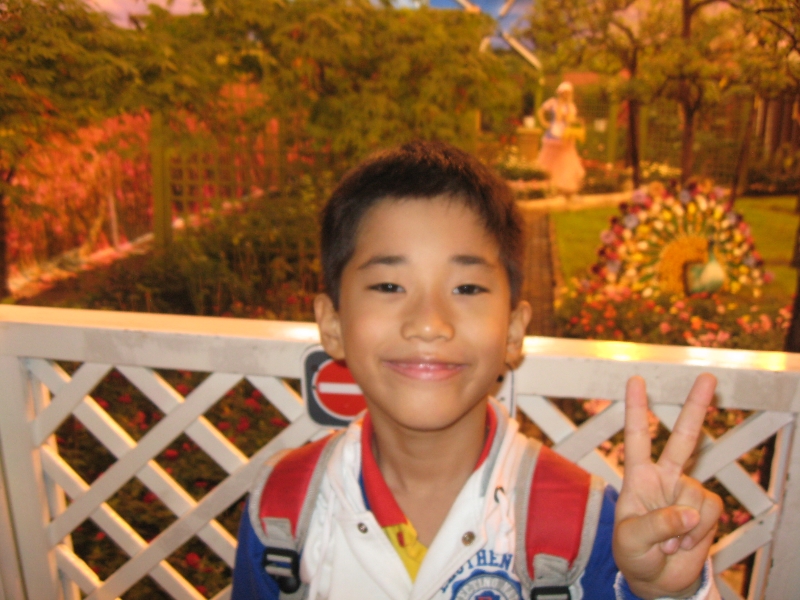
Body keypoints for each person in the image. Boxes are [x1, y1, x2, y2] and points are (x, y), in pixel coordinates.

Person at [232, 140, 722, 600]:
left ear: (512, 331)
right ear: (332, 325)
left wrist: (664, 592)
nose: (429, 323)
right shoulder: (282, 511)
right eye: (389, 286)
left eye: (466, 288)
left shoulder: (590, 526)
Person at [536, 81, 586, 195]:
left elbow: (572, 120)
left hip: (565, 135)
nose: (566, 95)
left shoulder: (571, 107)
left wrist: (574, 123)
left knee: (565, 160)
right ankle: (549, 182)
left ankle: (563, 185)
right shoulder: (552, 103)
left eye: (568, 93)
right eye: (564, 92)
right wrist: (545, 123)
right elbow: (540, 111)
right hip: (553, 134)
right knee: (550, 159)